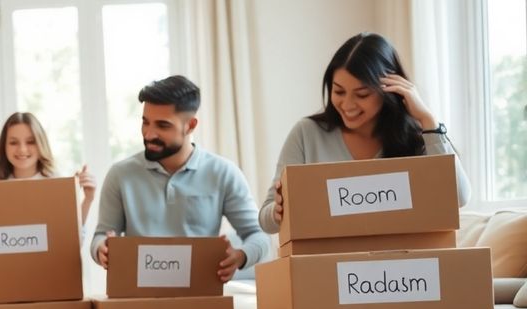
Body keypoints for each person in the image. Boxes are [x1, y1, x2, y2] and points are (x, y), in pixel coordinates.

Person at [259, 32, 471, 233]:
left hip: (400, 258)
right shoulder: (307, 134)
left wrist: (428, 120)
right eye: (339, 91)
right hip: (329, 257)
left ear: (389, 90)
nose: (347, 105)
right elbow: (266, 220)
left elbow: (458, 198)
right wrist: (279, 211)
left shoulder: (417, 137)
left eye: (362, 94)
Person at [91, 75, 271, 282]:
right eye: (145, 122)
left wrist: (241, 256)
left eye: (162, 125)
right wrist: (101, 249)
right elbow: (100, 236)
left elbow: (259, 235)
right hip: (137, 293)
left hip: (200, 291)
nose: (149, 134)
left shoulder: (224, 173)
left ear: (190, 125)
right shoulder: (120, 174)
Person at [0, 112, 96, 224]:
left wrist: (87, 199)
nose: (22, 149)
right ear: (4, 146)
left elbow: (71, 229)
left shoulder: (57, 184)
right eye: (13, 142)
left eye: (30, 142)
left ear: (40, 144)